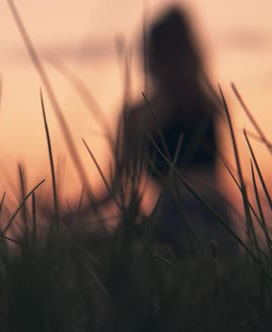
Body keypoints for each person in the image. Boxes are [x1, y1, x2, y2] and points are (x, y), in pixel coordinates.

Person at [114, 6, 235, 256]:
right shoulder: (210, 104)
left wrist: (66, 216)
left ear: (149, 53)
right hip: (218, 220)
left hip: (173, 222)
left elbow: (113, 189)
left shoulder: (137, 114)